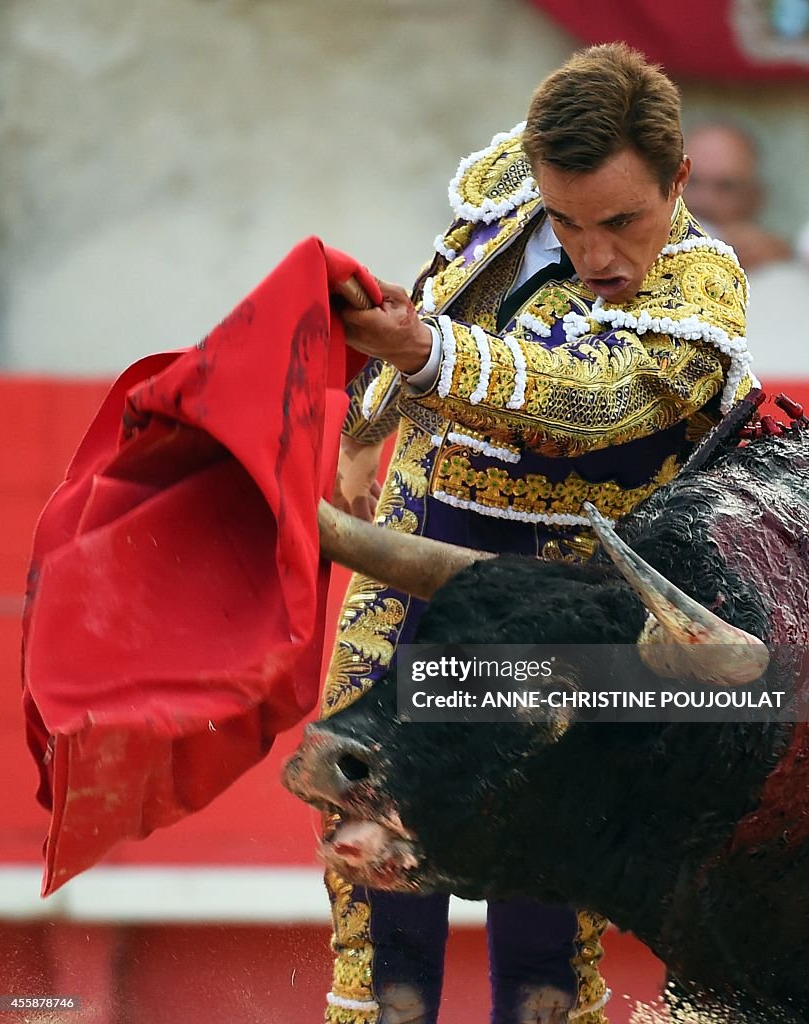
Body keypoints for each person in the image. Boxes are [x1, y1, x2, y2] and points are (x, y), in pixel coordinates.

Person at [322, 43, 756, 1024]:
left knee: (540, 904)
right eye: (567, 220)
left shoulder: (701, 290)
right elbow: (437, 290)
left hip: (561, 604)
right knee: (371, 871)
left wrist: (423, 354)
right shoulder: (516, 194)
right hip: (417, 556)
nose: (596, 254)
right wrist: (366, 425)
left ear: (678, 180)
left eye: (622, 222)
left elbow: (590, 397)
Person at [684, 121, 792, 271]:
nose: (704, 200)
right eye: (691, 182)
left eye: (726, 187)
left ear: (754, 198)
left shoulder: (775, 269)